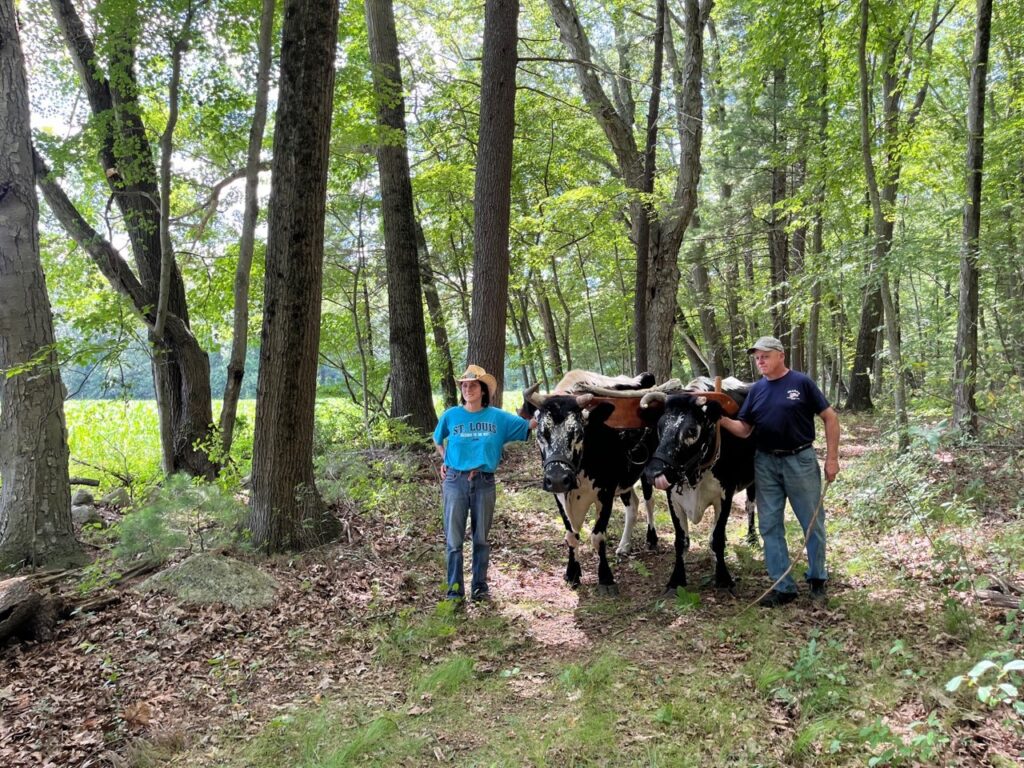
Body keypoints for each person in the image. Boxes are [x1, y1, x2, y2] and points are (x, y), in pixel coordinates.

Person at [720, 336, 840, 607]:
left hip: (800, 460)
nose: (760, 361)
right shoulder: (757, 390)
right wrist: (722, 419)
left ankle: (818, 579)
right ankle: (782, 586)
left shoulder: (801, 383)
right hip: (765, 464)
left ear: (780, 355)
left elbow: (830, 418)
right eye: (757, 357)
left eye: (765, 355)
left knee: (811, 522)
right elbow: (745, 429)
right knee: (770, 525)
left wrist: (832, 459)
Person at [433, 365, 534, 604]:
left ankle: (480, 587)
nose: (468, 389)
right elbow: (437, 438)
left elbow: (529, 426)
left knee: (480, 539)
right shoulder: (451, 415)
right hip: (455, 482)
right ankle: (454, 591)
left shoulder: (498, 417)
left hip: (484, 482)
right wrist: (445, 458)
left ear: (483, 390)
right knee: (454, 540)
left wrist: (547, 408)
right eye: (464, 385)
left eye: (473, 385)